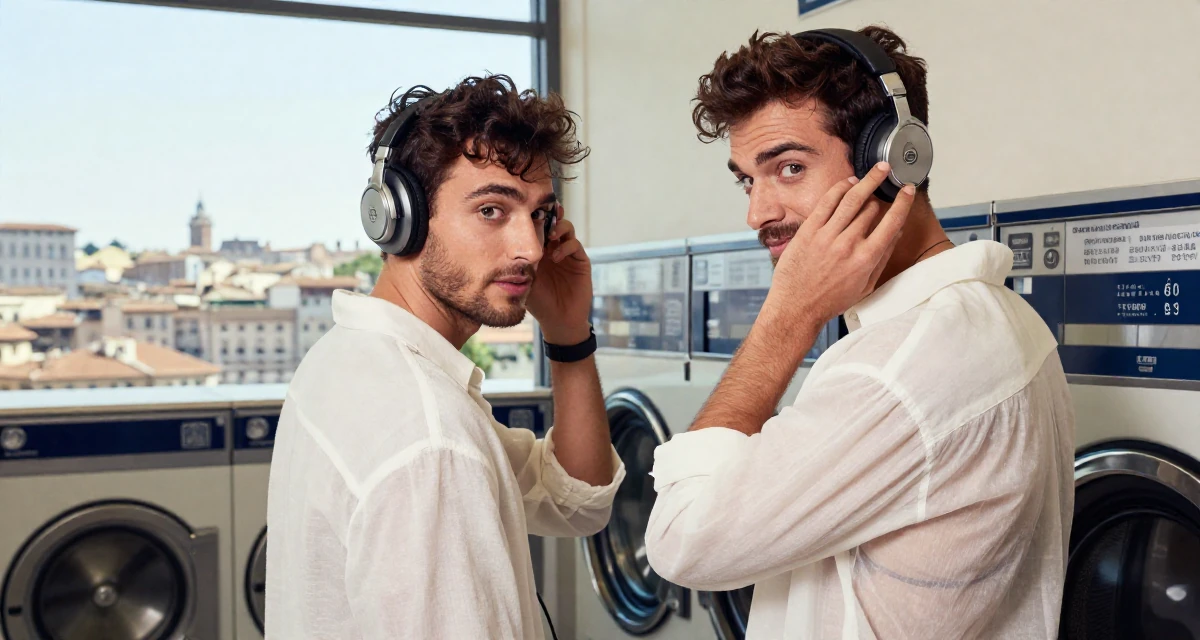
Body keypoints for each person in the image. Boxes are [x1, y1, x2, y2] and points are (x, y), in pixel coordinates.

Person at [644, 27, 1075, 639]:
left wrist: (787, 317)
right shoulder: (1003, 321)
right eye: (747, 179)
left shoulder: (900, 367)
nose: (757, 213)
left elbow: (681, 539)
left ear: (900, 156)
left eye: (789, 168)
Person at [265, 75, 625, 639]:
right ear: (400, 217)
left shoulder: (351, 359)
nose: (530, 249)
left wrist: (569, 334)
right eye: (491, 211)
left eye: (538, 215)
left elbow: (576, 503)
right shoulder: (430, 440)